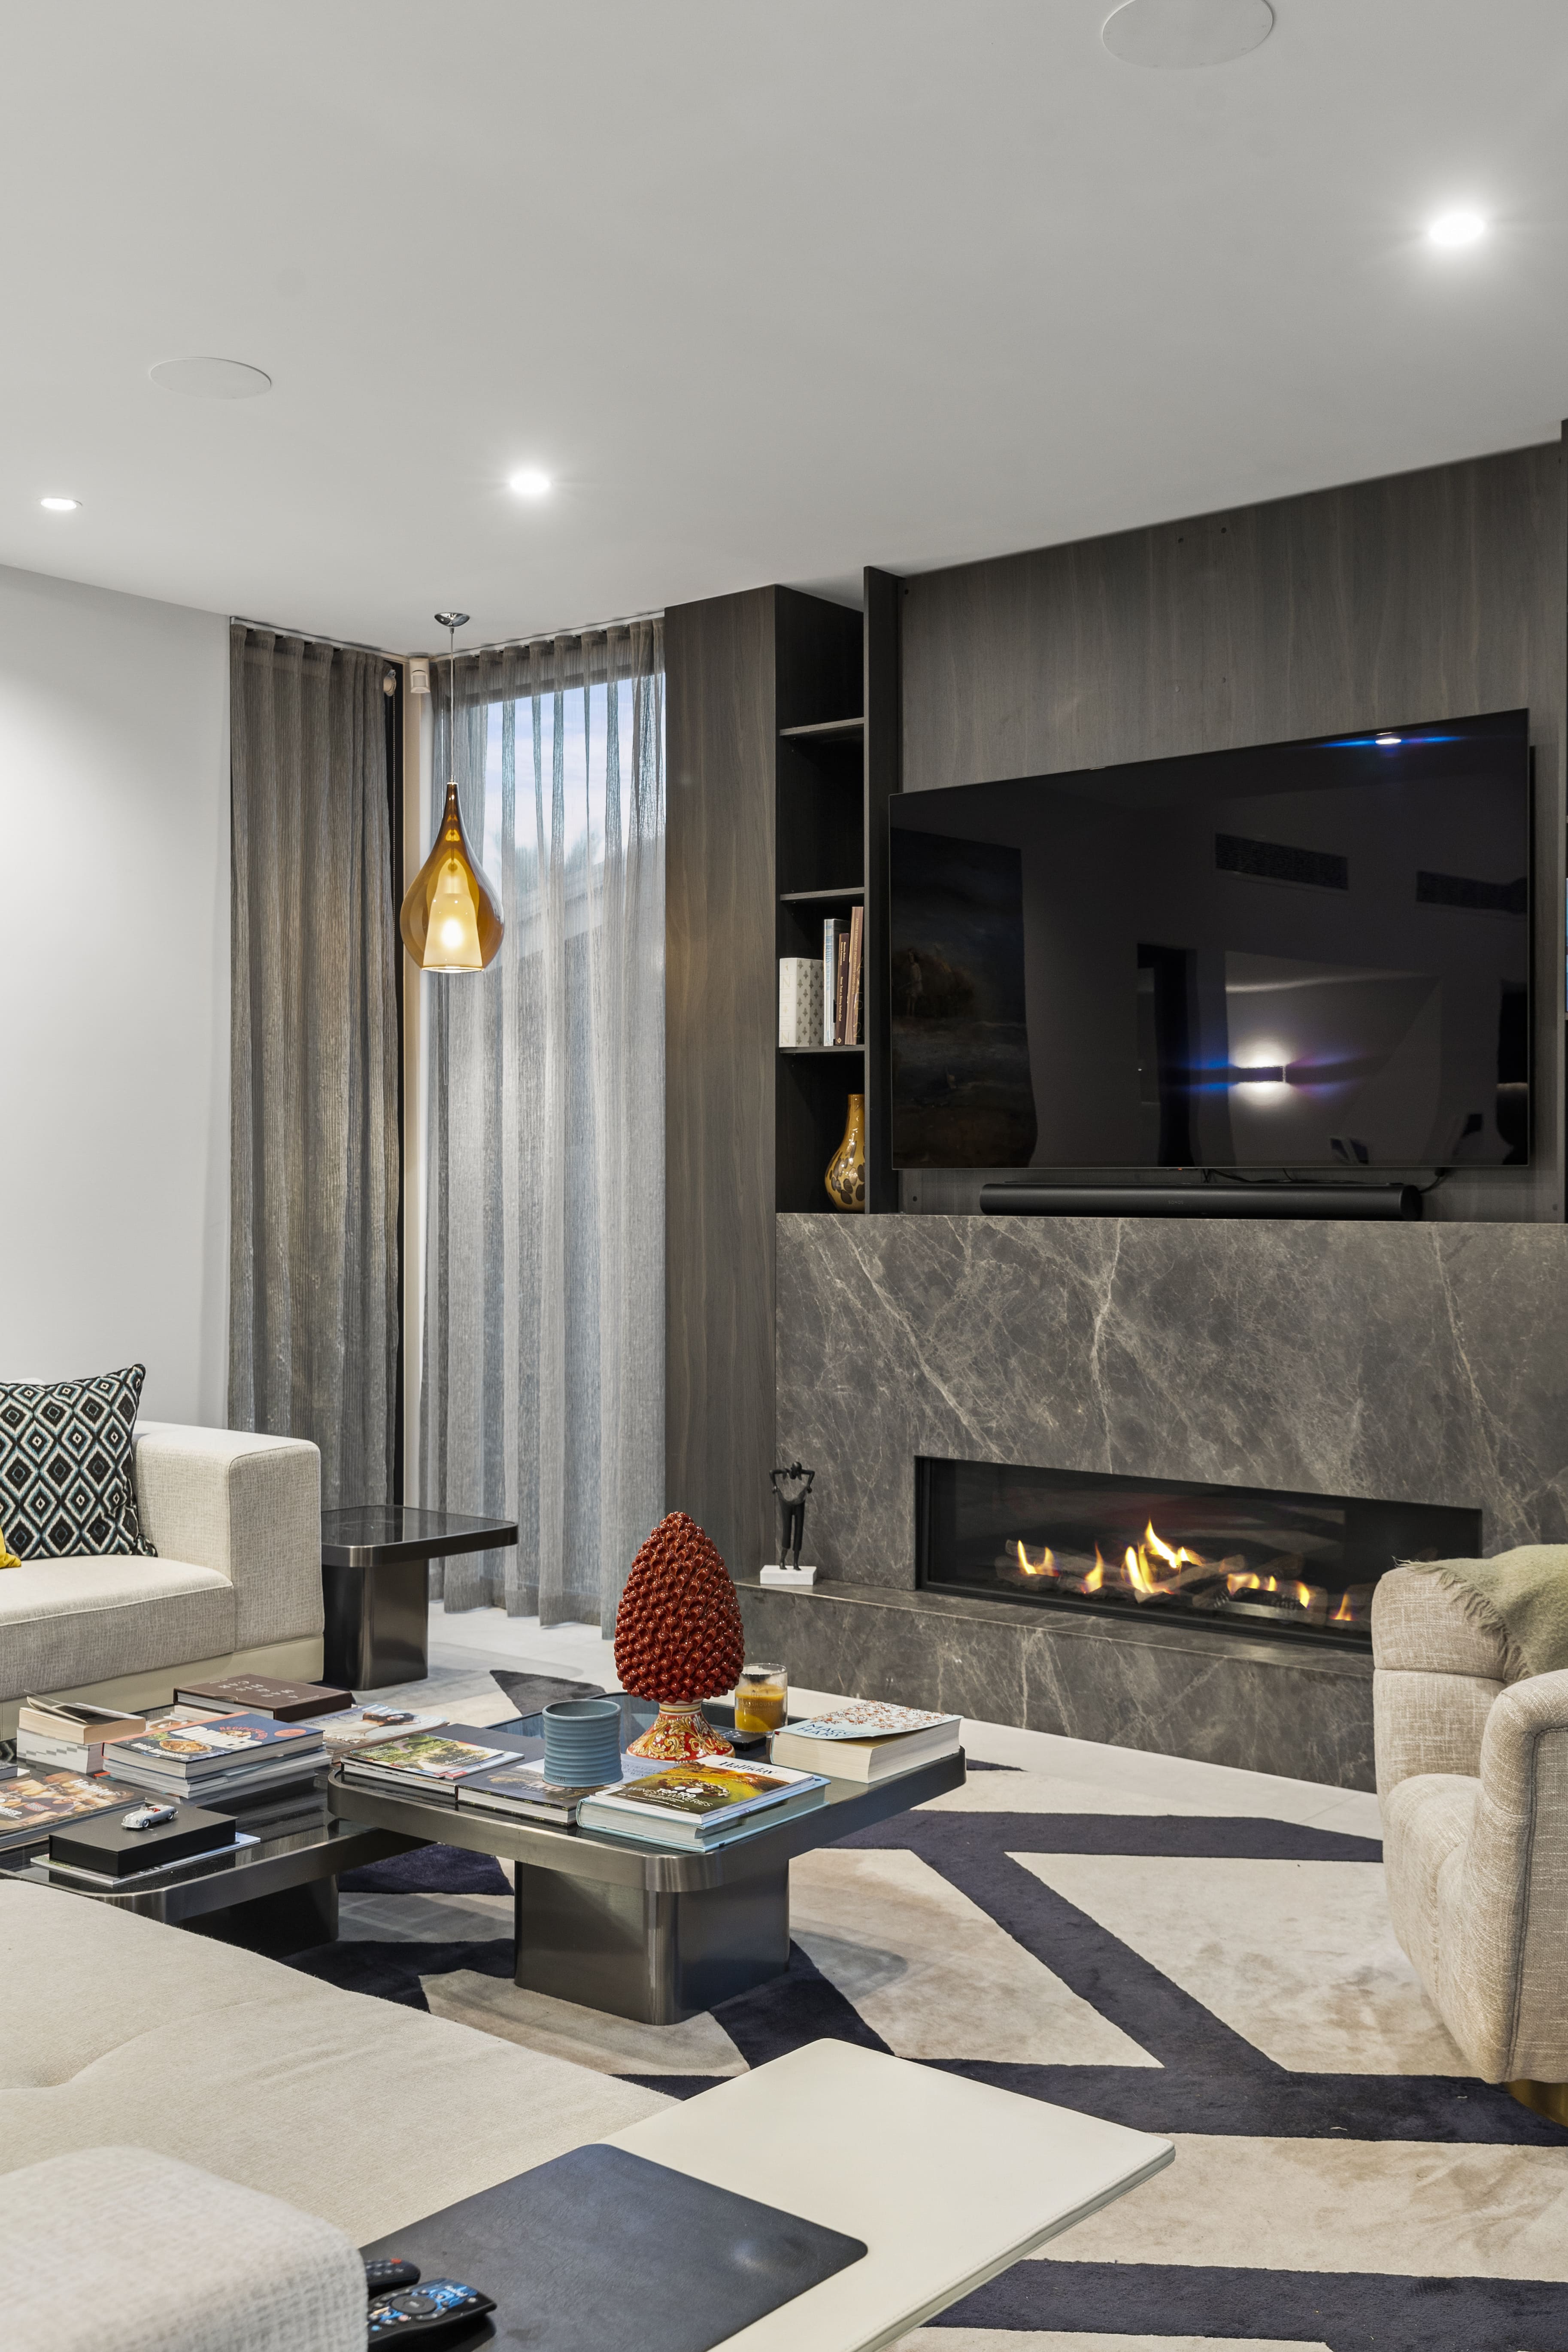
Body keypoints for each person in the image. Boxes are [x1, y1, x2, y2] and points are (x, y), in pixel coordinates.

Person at [769, 1463, 816, 1571]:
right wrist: (775, 1485)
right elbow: (771, 1472)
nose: (798, 1475)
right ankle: (782, 1561)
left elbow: (812, 1473)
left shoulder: (800, 1473)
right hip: (786, 1503)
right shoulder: (786, 1471)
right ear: (792, 1470)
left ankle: (796, 1563)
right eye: (796, 1472)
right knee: (787, 1531)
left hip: (799, 1502)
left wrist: (809, 1485)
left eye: (799, 1472)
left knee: (799, 1532)